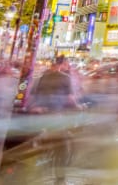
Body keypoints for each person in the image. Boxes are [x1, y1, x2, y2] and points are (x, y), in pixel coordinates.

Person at [29, 55, 81, 184]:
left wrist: (37, 107)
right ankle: (60, 178)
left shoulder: (42, 78)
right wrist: (78, 107)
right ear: (62, 64)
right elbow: (70, 98)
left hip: (40, 114)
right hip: (55, 115)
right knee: (62, 147)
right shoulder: (65, 78)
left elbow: (33, 95)